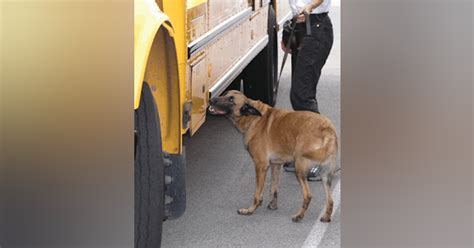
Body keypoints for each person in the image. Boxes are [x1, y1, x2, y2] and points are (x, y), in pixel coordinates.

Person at [281, 0, 334, 181]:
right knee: (300, 96)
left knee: (302, 95)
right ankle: (305, 154)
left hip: (316, 29)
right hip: (302, 28)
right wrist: (287, 32)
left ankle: (319, 159)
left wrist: (310, 6)